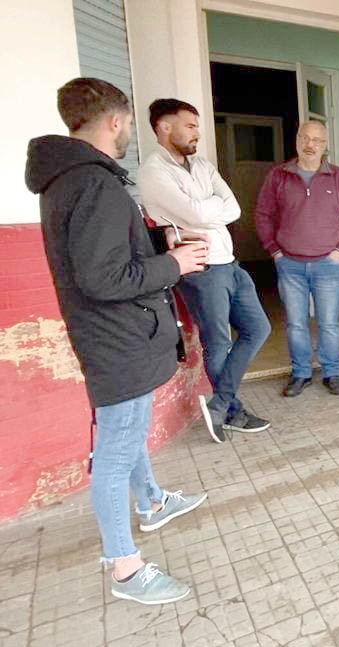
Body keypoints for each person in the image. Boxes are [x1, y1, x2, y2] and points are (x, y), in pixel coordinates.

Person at [25, 78, 208, 604]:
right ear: (114, 121)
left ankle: (152, 502)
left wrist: (155, 241)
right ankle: (125, 568)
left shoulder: (71, 178)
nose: (128, 131)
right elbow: (103, 278)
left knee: (128, 429)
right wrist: (174, 264)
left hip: (114, 334)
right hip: (116, 338)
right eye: (127, 122)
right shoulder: (93, 182)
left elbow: (101, 253)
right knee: (116, 446)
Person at [137, 99, 272, 443]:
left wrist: (201, 210)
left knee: (259, 328)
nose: (197, 132)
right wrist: (207, 208)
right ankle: (232, 412)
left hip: (229, 262)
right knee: (219, 342)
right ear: (165, 127)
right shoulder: (154, 172)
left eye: (197, 125)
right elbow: (198, 214)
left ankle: (220, 404)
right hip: (201, 268)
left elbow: (234, 208)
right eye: (190, 125)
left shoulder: (202, 166)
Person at [253, 120, 339, 397]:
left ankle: (332, 373)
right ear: (297, 140)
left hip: (328, 264)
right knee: (296, 323)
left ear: (325, 145)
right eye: (305, 138)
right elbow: (263, 214)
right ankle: (301, 373)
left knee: (329, 323)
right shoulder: (278, 176)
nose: (310, 144)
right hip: (289, 264)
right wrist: (274, 250)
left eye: (317, 140)